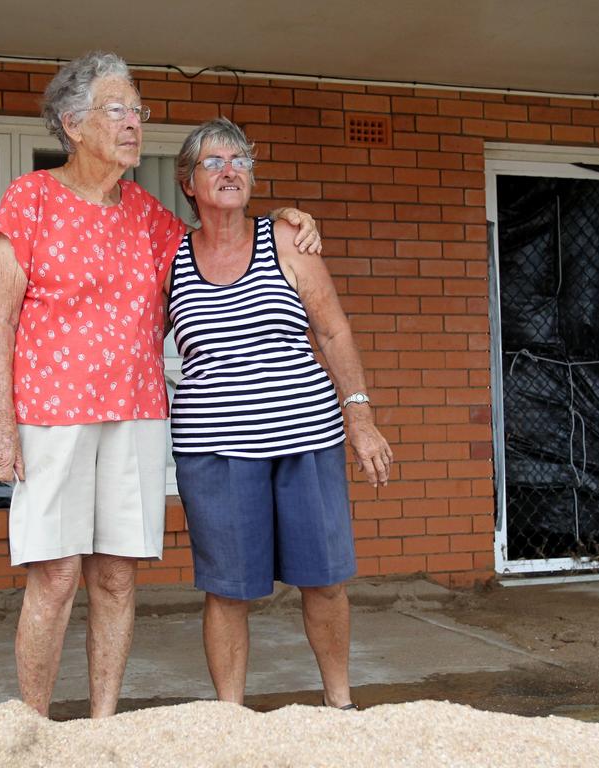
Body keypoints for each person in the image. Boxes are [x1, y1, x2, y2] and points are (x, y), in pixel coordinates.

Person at [0, 52, 321, 719]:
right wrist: (0, 422)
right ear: (73, 125)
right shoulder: (32, 200)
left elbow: (217, 241)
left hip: (136, 412)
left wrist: (286, 219)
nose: (135, 123)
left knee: (115, 575)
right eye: (118, 110)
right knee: (54, 575)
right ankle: (33, 729)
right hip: (52, 416)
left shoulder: (149, 216)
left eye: (139, 111)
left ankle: (104, 726)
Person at [166, 118, 394, 709]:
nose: (229, 170)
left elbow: (333, 329)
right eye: (214, 162)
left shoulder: (286, 239)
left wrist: (361, 418)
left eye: (239, 160)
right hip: (213, 450)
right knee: (227, 590)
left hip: (307, 437)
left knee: (324, 580)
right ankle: (230, 717)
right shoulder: (168, 254)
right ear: (188, 181)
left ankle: (340, 704)